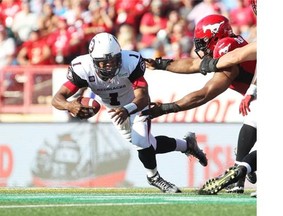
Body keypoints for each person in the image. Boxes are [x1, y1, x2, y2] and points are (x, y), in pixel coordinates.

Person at [51, 32, 208, 193]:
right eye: (104, 63)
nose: (110, 66)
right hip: (114, 110)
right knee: (148, 145)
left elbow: (143, 95)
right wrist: (70, 106)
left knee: (141, 141)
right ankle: (187, 145)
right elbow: (57, 98)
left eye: (113, 60)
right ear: (94, 61)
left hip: (135, 105)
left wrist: (128, 109)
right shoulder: (83, 69)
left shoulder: (130, 62)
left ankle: (153, 177)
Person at [141, 14, 257, 193]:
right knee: (253, 120)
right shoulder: (228, 45)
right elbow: (193, 65)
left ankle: (241, 170)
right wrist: (160, 64)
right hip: (258, 98)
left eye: (204, 42)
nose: (200, 48)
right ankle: (240, 174)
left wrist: (166, 108)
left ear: (217, 37)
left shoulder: (226, 46)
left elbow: (205, 94)